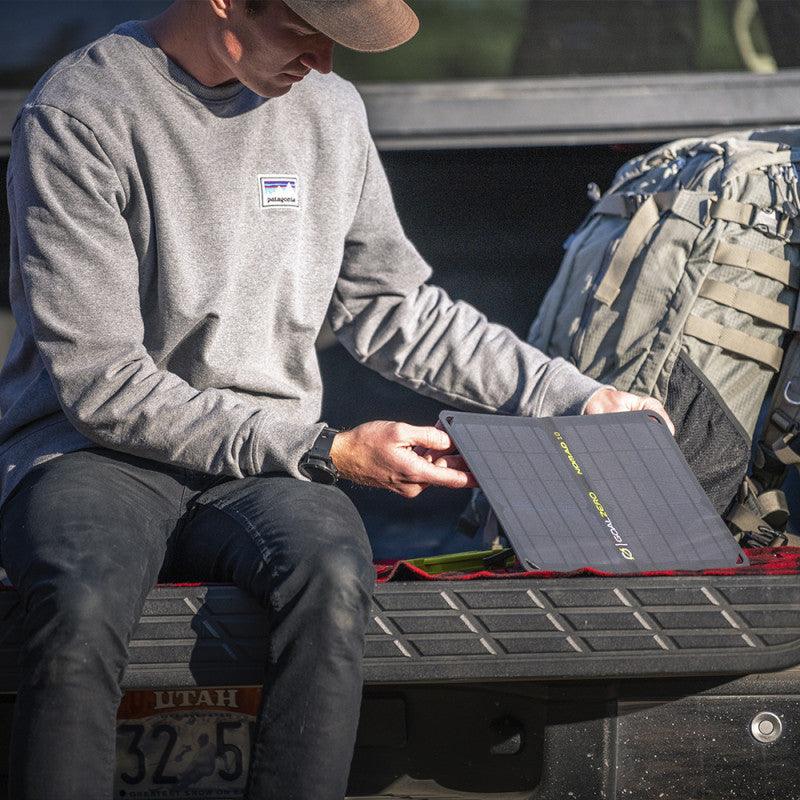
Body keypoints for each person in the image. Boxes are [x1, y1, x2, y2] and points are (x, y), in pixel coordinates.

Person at [0, 1, 672, 798]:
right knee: (78, 600)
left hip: (259, 467)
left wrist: (575, 398)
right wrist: (328, 450)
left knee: (332, 571)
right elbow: (104, 383)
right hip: (92, 454)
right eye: (305, 33)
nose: (323, 62)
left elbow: (396, 309)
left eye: (338, 43)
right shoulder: (81, 111)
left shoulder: (328, 109)